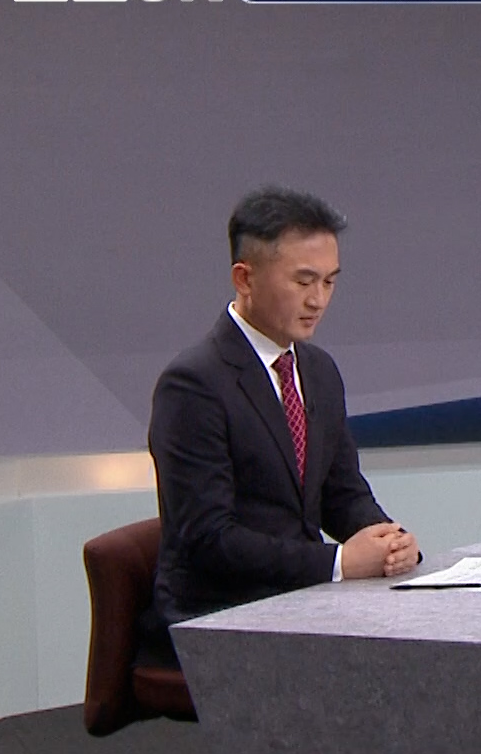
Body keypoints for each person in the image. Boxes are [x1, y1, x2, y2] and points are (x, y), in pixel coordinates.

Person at [143, 186, 417, 665]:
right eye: (303, 281)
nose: (318, 300)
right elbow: (209, 539)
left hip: (301, 602)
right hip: (218, 616)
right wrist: (339, 562)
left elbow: (342, 493)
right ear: (245, 278)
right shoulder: (193, 384)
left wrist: (387, 539)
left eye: (329, 282)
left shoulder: (318, 371)